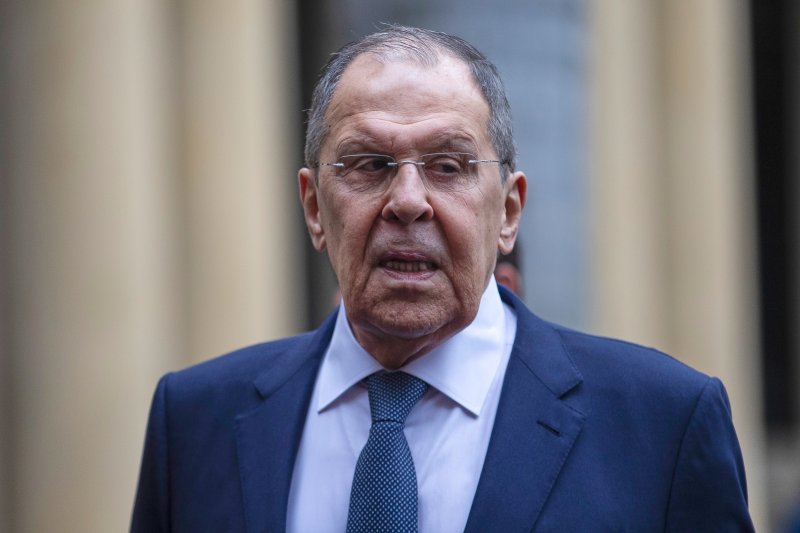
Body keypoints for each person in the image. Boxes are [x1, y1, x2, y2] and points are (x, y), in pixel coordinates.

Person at [131, 25, 754, 532]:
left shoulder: (662, 424)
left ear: (508, 211)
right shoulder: (194, 421)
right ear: (315, 208)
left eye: (449, 166)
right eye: (369, 163)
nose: (408, 201)